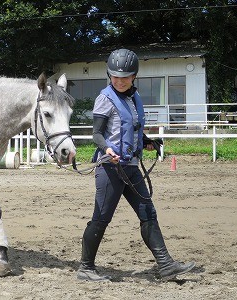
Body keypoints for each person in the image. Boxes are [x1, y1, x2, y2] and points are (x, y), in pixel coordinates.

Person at [77, 48, 195, 281]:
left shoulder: (134, 98)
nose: (120, 81)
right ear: (109, 75)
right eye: (116, 76)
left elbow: (132, 131)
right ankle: (85, 268)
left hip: (131, 166)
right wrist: (106, 148)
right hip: (110, 168)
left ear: (134, 77)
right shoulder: (105, 98)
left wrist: (147, 142)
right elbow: (97, 134)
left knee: (148, 213)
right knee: (101, 218)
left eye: (126, 77)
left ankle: (165, 265)